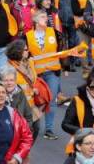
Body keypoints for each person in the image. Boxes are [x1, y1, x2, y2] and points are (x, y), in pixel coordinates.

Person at [25, 10, 70, 140]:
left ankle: (49, 129)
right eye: (43, 17)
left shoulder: (54, 33)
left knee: (51, 99)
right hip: (36, 75)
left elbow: (62, 50)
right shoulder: (27, 36)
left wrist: (66, 66)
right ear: (36, 21)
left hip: (52, 72)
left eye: (46, 17)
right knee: (36, 100)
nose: (47, 19)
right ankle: (32, 126)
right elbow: (23, 54)